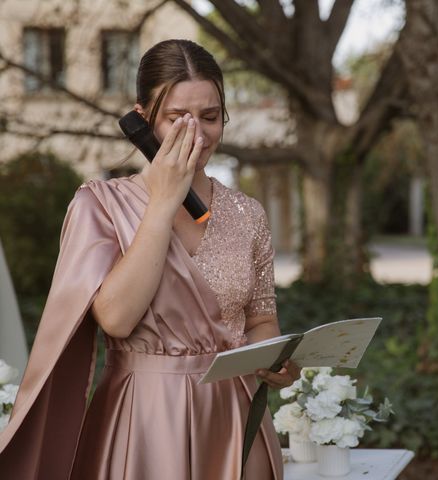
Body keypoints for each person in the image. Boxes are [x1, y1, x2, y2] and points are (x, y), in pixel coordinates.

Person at [0, 39, 299, 479]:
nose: (196, 133)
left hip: (235, 419)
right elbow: (117, 318)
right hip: (143, 420)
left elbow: (259, 319)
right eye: (177, 118)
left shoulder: (248, 213)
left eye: (211, 117)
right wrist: (162, 202)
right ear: (142, 120)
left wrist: (275, 361)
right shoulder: (99, 205)